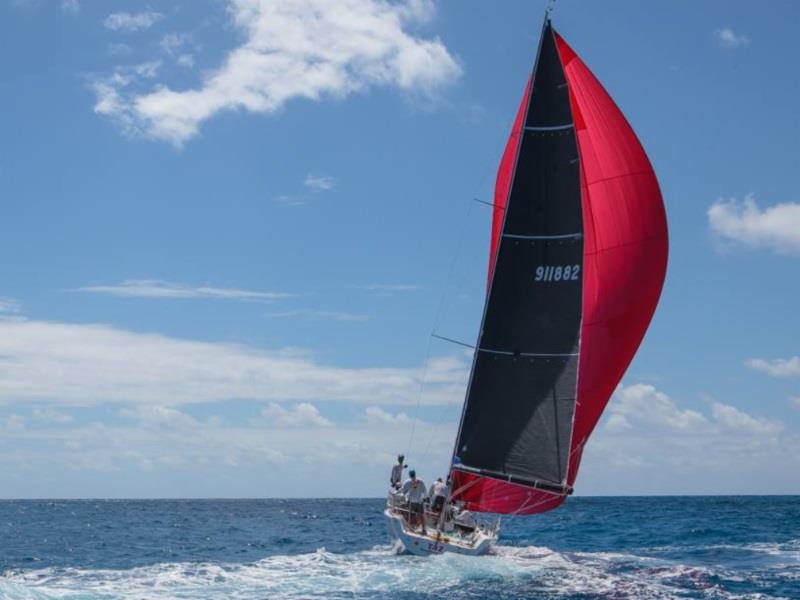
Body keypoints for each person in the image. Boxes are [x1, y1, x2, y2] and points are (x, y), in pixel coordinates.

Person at [401, 469, 428, 534]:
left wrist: (405, 495)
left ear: (410, 475)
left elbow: (403, 491)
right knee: (421, 515)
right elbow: (425, 491)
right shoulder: (421, 481)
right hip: (419, 501)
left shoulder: (407, 482)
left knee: (411, 514)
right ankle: (424, 529)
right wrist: (425, 498)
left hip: (412, 501)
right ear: (415, 474)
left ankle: (412, 528)